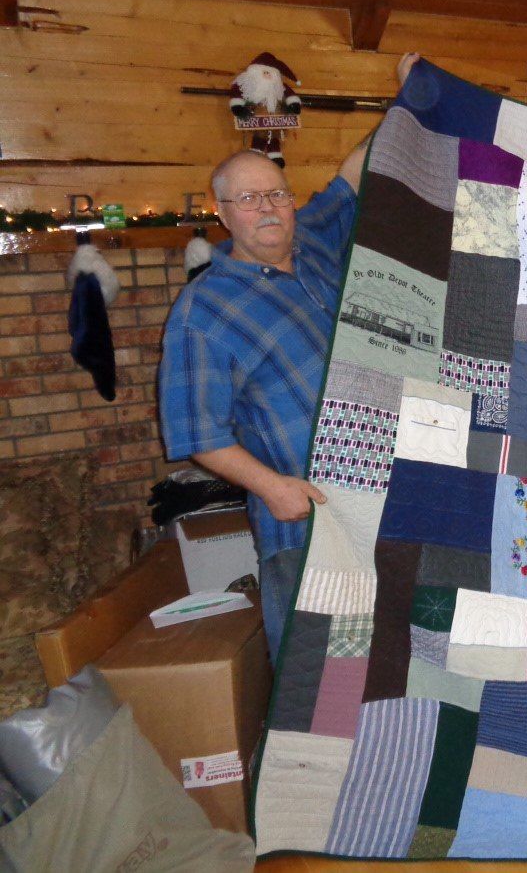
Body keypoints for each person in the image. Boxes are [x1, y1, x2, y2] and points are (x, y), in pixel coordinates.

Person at [160, 54, 418, 663]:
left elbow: (353, 176)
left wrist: (408, 101)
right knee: (318, 671)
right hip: (305, 520)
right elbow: (196, 432)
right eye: (248, 199)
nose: (268, 208)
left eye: (277, 193)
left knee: (394, 657)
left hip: (384, 497)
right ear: (222, 213)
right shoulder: (202, 312)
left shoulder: (313, 242)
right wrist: (273, 488)